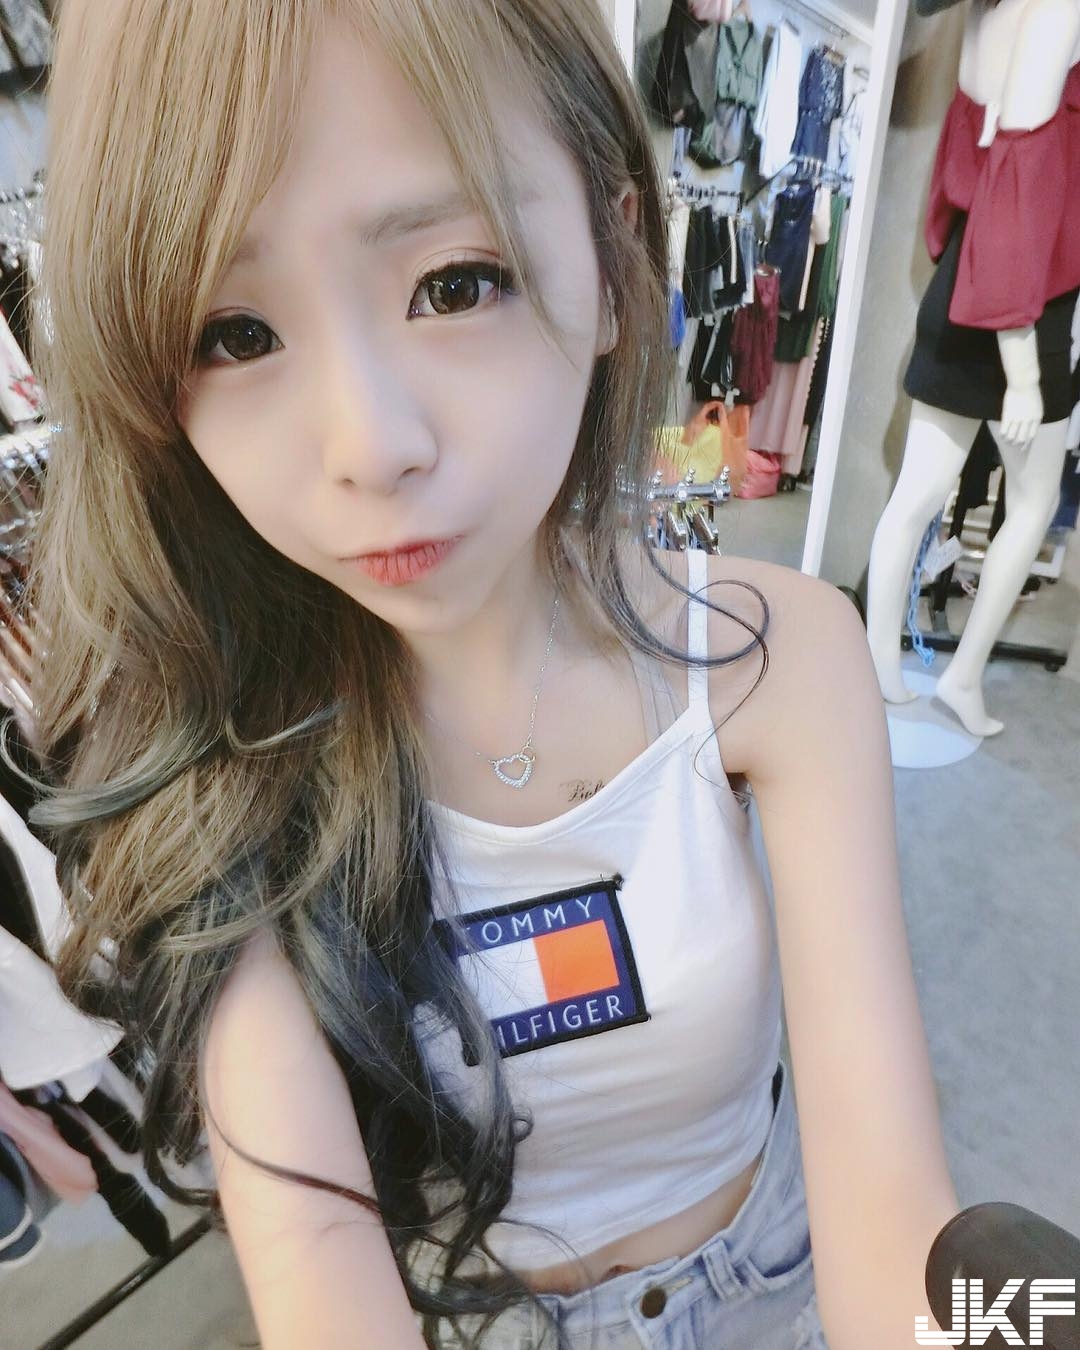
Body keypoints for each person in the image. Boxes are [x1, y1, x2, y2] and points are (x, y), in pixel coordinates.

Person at [22, 1, 960, 1346]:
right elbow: (318, 1277)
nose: (371, 445)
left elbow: (897, 1224)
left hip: (768, 1292)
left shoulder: (777, 659)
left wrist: (1010, 1316)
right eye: (235, 334)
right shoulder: (219, 762)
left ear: (613, 255)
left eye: (454, 284)